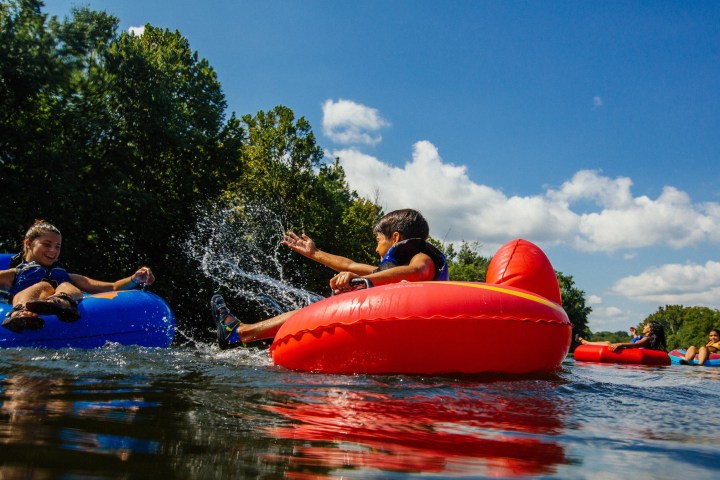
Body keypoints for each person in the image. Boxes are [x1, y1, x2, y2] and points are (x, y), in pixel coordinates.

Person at [210, 208, 448, 349]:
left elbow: (421, 272)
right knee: (319, 308)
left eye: (378, 241)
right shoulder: (393, 271)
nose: (377, 250)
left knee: (325, 308)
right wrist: (315, 253)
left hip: (417, 327)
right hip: (398, 332)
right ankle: (240, 333)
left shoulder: (419, 255)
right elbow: (350, 265)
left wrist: (364, 280)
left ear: (395, 237)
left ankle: (240, 332)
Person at [0, 220, 155, 332]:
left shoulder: (66, 276)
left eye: (57, 247)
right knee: (44, 286)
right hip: (25, 308)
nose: (53, 251)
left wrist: (135, 278)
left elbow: (112, 287)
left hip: (61, 302)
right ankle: (19, 313)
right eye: (47, 245)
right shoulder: (14, 273)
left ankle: (60, 302)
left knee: (67, 286)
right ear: (28, 243)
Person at [576, 321, 666, 352]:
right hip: (632, 351)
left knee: (608, 343)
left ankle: (585, 342)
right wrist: (634, 334)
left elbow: (636, 345)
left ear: (651, 329)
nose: (644, 326)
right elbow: (638, 342)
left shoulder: (647, 339)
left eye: (646, 325)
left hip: (630, 353)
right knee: (608, 343)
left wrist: (620, 344)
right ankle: (585, 342)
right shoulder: (645, 338)